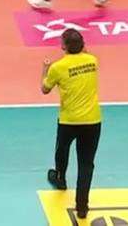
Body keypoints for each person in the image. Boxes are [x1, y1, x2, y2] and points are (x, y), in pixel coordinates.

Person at [41, 28, 102, 220]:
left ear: (63, 46)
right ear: (82, 45)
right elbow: (85, 53)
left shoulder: (57, 68)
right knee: (86, 164)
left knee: (62, 149)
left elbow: (45, 89)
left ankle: (60, 178)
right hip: (92, 121)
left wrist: (45, 69)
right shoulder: (93, 61)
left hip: (69, 121)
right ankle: (82, 206)